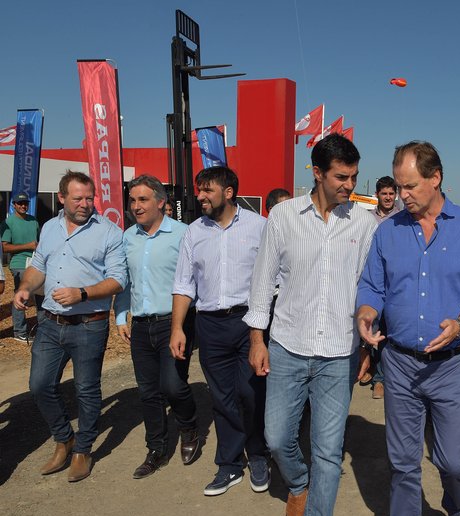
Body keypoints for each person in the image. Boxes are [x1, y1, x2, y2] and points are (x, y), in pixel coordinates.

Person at [356, 141, 460, 516]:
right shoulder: (388, 232)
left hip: (453, 365)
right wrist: (366, 313)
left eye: (410, 186)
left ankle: (456, 507)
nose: (402, 195)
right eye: (398, 187)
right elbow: (372, 286)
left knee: (454, 461)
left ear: (435, 178)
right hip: (399, 364)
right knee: (402, 460)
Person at [245, 135, 376, 516]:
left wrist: (368, 347)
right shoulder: (283, 217)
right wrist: (257, 339)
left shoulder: (364, 223)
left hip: (339, 352)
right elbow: (262, 282)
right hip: (286, 345)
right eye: (341, 177)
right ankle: (298, 483)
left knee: (328, 450)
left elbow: (369, 289)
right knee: (277, 436)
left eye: (354, 177)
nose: (349, 185)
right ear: (317, 173)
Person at [13, 171, 127, 482]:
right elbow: (38, 266)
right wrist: (25, 287)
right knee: (39, 385)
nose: (85, 204)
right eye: (78, 198)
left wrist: (83, 294)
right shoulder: (50, 227)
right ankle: (65, 439)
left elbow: (118, 280)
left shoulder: (109, 232)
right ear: (62, 198)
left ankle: (83, 450)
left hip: (89, 325)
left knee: (86, 390)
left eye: (89, 198)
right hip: (50, 322)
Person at [171, 166, 269, 497]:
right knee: (223, 397)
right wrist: (177, 328)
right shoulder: (194, 232)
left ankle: (258, 454)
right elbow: (183, 284)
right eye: (199, 190)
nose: (200, 196)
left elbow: (275, 276)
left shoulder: (258, 227)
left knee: (251, 393)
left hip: (249, 323)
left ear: (228, 193)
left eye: (207, 190)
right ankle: (229, 464)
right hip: (210, 325)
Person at [114, 174, 200, 479]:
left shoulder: (183, 234)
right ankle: (156, 449)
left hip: (174, 323)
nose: (136, 206)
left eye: (143, 199)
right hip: (141, 325)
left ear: (161, 202)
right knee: (148, 392)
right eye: (132, 200)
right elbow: (125, 281)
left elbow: (195, 280)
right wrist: (121, 316)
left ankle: (189, 427)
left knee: (173, 386)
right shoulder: (128, 237)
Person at [365, 175, 402, 398]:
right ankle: (376, 376)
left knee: (391, 333)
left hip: (395, 285)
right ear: (377, 195)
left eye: (391, 194)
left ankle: (386, 378)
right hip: (373, 282)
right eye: (384, 193)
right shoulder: (367, 219)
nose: (388, 197)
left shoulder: (402, 219)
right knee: (374, 331)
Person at [2, 191, 41, 341]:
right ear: (14, 205)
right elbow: (4, 247)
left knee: (41, 295)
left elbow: (39, 242)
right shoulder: (8, 223)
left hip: (36, 262)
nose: (23, 206)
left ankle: (43, 329)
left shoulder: (33, 221)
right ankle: (20, 332)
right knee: (22, 296)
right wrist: (28, 246)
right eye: (20, 203)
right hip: (19, 263)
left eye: (25, 203)